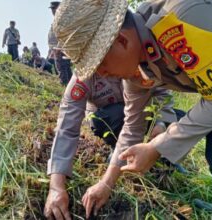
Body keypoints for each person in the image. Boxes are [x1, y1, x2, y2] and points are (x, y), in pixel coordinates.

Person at [53, 0, 212, 219]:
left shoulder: (181, 17)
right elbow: (133, 125)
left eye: (101, 64)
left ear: (121, 40)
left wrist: (156, 147)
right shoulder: (137, 69)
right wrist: (106, 183)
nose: (102, 75)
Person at [44, 72, 185, 219]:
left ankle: (166, 160)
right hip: (115, 119)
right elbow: (66, 129)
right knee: (117, 115)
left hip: (143, 112)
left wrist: (161, 122)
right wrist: (56, 186)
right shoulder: (82, 78)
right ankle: (120, 153)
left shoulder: (138, 64)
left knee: (180, 120)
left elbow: (161, 92)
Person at [48, 1, 73, 85]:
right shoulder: (58, 19)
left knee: (62, 68)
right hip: (58, 48)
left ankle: (65, 86)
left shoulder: (62, 19)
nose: (52, 11)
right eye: (52, 9)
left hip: (60, 48)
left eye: (53, 9)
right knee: (65, 68)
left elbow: (63, 35)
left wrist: (58, 48)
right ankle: (69, 86)